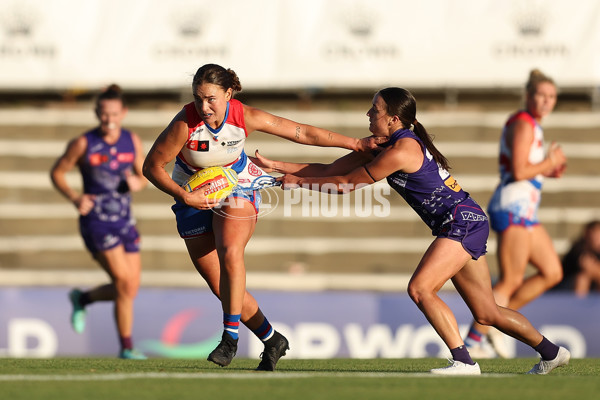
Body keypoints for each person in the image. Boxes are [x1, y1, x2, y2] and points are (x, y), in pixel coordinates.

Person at [253, 87, 570, 375]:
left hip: (460, 221)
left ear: (392, 119)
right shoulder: (386, 145)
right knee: (487, 313)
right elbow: (331, 170)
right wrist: (278, 166)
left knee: (420, 288)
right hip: (468, 219)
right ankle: (552, 352)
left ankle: (463, 361)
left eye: (374, 110)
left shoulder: (401, 150)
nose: (368, 115)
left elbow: (346, 185)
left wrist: (293, 183)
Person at [142, 63, 383, 371]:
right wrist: (184, 196)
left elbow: (303, 133)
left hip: (238, 184)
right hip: (193, 196)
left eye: (211, 99)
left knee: (231, 251)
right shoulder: (184, 124)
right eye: (198, 98)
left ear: (229, 94)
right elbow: (151, 167)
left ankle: (230, 338)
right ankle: (272, 340)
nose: (204, 106)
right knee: (221, 286)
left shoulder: (244, 116)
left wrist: (356, 143)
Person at [463, 69, 568, 359]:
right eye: (541, 95)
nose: (547, 101)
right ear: (529, 96)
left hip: (525, 209)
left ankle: (499, 321)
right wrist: (549, 162)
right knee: (510, 280)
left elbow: (526, 170)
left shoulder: (532, 124)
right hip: (513, 206)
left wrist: (550, 168)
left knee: (552, 271)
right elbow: (519, 171)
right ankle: (474, 340)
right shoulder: (523, 123)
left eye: (551, 96)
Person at [50, 84, 148, 359]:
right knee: (123, 280)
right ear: (97, 113)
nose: (109, 119)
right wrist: (74, 197)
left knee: (130, 287)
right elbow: (58, 172)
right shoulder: (83, 143)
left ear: (124, 113)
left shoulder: (132, 141)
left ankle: (83, 298)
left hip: (125, 221)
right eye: (104, 114)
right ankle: (127, 347)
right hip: (97, 222)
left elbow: (143, 176)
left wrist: (136, 182)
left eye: (114, 113)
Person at [558, 220, 600, 297]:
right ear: (587, 234)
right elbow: (587, 267)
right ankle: (578, 307)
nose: (596, 237)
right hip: (566, 285)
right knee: (582, 278)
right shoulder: (578, 248)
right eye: (594, 234)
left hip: (593, 285)